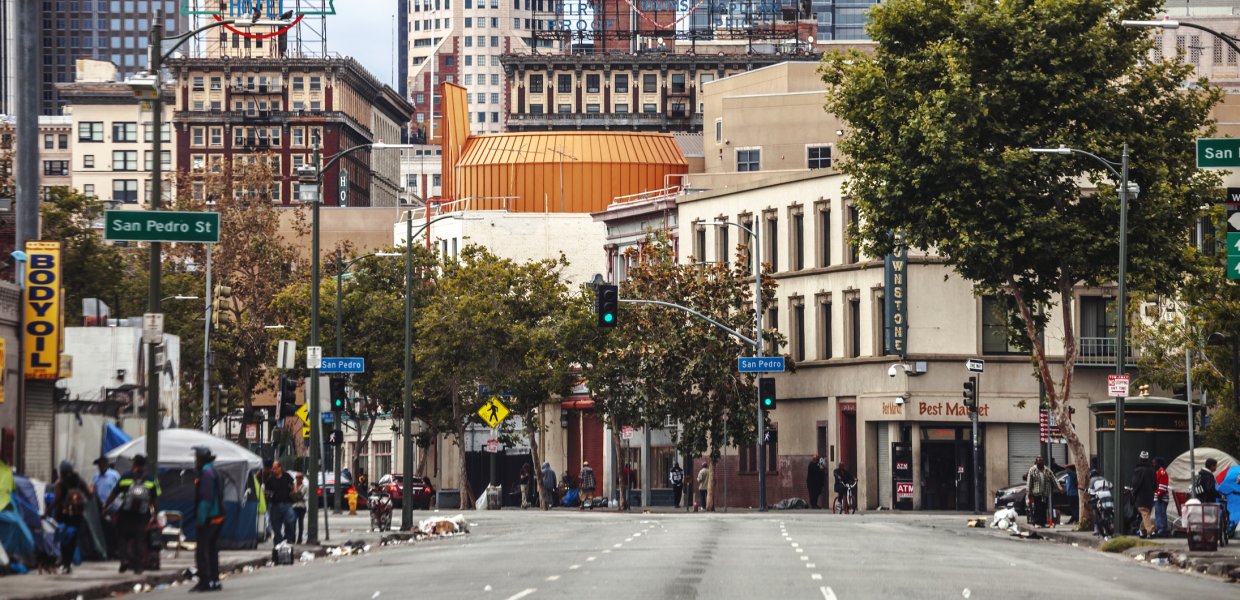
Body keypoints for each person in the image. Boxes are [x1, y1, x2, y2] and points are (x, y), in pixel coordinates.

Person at [107, 454, 159, 574]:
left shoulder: (125, 477)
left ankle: (124, 560)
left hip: (125, 514)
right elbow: (155, 499)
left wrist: (106, 507)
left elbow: (114, 493)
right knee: (139, 540)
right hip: (142, 515)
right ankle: (138, 566)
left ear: (134, 464)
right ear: (144, 465)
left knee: (122, 538)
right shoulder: (151, 479)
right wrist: (154, 514)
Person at [48, 460, 90, 573]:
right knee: (72, 540)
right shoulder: (79, 481)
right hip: (77, 516)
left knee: (63, 539)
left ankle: (64, 562)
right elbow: (89, 495)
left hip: (63, 515)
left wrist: (47, 511)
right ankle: (68, 563)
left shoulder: (60, 483)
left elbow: (57, 499)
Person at [192, 446, 224, 593]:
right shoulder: (213, 470)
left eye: (196, 457)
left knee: (202, 550)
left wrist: (200, 519)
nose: (195, 460)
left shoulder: (206, 473)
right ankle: (214, 580)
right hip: (218, 516)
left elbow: (206, 498)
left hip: (210, 517)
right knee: (211, 549)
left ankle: (205, 581)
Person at [264, 461, 296, 546]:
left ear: (280, 468)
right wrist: (269, 495)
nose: (273, 470)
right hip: (275, 504)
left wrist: (293, 491)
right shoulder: (270, 479)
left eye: (275, 468)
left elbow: (293, 485)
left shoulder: (287, 476)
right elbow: (267, 492)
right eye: (272, 468)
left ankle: (287, 537)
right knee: (275, 524)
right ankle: (278, 540)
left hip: (287, 503)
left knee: (290, 520)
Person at [1025, 457, 1060, 527]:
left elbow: (1054, 479)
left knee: (1043, 508)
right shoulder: (1032, 470)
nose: (1040, 462)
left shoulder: (1047, 470)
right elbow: (1029, 482)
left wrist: (1059, 488)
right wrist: (1029, 493)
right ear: (1036, 462)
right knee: (1037, 508)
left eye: (1042, 461)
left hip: (1044, 493)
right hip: (1036, 493)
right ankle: (1036, 522)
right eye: (1039, 461)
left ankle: (1042, 522)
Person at [1130, 450, 1157, 538]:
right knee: (1146, 514)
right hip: (1150, 497)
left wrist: (1134, 493)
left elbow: (1135, 484)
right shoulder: (1152, 471)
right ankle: (1142, 530)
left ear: (1140, 459)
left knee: (1144, 513)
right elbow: (1155, 485)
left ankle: (1150, 531)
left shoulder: (1137, 470)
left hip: (1140, 497)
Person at [1087, 469, 1114, 536]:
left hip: (1099, 496)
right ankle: (1111, 525)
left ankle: (1097, 530)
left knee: (1096, 512)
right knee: (1108, 510)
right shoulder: (1104, 478)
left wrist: (1090, 493)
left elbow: (1090, 491)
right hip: (1108, 495)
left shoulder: (1092, 480)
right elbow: (1111, 485)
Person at [1153, 457, 1170, 537]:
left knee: (1161, 513)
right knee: (1158, 513)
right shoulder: (1158, 472)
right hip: (1159, 497)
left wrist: (1159, 496)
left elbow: (1162, 486)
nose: (1153, 465)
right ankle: (1160, 528)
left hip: (1161, 498)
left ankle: (1162, 529)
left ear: (1159, 463)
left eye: (1155, 463)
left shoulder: (1162, 472)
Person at [292, 473, 308, 544]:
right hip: (294, 506)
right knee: (293, 523)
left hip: (301, 507)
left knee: (300, 523)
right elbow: (292, 496)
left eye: (299, 478)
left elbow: (304, 497)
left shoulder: (305, 487)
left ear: (302, 479)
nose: (297, 479)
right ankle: (293, 538)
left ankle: (299, 539)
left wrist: (298, 496)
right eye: (296, 477)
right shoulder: (293, 486)